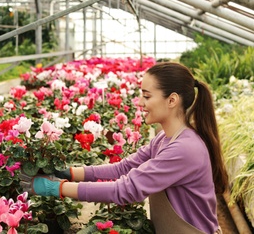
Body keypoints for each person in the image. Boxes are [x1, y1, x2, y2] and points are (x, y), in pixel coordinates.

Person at [21, 62, 228, 234]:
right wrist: (70, 172)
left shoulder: (184, 149)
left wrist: (56, 188)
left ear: (172, 100)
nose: (140, 102)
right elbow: (122, 168)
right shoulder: (164, 139)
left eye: (147, 96)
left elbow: (125, 190)